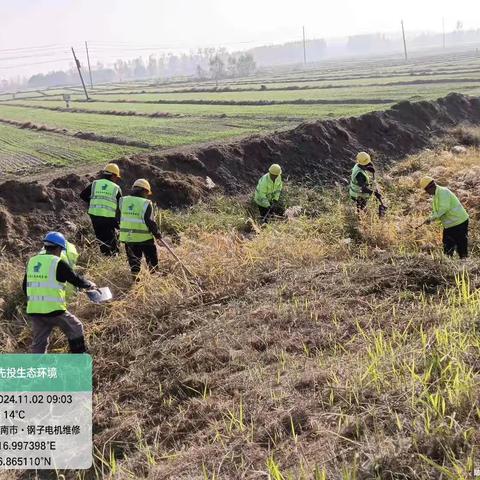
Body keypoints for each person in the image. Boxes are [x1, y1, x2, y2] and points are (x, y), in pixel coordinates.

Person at [23, 232, 96, 354]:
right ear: (58, 248)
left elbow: (24, 286)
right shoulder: (57, 262)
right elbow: (75, 279)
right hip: (54, 310)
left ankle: (37, 369)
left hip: (35, 310)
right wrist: (89, 284)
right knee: (76, 327)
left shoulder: (32, 261)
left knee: (39, 343)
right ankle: (78, 359)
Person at [119, 179, 162, 275]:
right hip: (144, 238)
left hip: (128, 238)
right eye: (147, 193)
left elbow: (118, 217)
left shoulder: (122, 200)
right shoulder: (146, 203)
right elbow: (150, 221)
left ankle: (135, 279)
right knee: (151, 259)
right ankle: (154, 275)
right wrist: (157, 234)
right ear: (145, 191)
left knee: (134, 263)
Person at [419, 176, 469, 258]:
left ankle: (465, 265)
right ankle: (448, 263)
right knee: (447, 246)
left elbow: (443, 209)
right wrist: (429, 218)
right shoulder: (436, 195)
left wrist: (431, 218)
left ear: (430, 187)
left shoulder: (443, 192)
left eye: (426, 190)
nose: (427, 192)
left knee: (461, 246)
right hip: (450, 225)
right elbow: (436, 211)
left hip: (460, 222)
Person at [80, 163, 122, 256]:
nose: (116, 180)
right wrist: (119, 221)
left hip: (94, 216)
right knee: (112, 240)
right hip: (108, 217)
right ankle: (114, 258)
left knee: (101, 239)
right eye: (116, 177)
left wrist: (93, 202)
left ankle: (106, 256)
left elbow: (82, 195)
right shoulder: (116, 188)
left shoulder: (95, 184)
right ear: (113, 175)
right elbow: (121, 206)